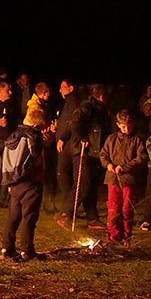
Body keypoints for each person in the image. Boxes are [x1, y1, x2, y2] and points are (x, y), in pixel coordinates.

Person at [61, 84, 112, 229]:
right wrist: (83, 138)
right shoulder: (88, 107)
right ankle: (66, 214)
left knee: (92, 184)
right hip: (83, 150)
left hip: (94, 152)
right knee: (83, 183)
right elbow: (73, 122)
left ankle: (92, 217)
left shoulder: (100, 110)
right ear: (102, 96)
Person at [1, 106, 49, 260]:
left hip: (13, 181)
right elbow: (37, 158)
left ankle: (7, 247)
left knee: (14, 215)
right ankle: (27, 250)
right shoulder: (33, 136)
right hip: (30, 181)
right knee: (29, 216)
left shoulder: (13, 135)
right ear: (36, 126)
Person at [99, 109, 148, 243]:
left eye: (129, 126)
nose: (127, 129)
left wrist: (125, 167)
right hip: (112, 179)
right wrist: (108, 164)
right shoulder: (111, 139)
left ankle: (127, 236)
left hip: (128, 180)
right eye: (124, 126)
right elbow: (103, 154)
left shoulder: (137, 140)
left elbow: (142, 157)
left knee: (127, 209)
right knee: (114, 209)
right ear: (118, 125)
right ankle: (114, 236)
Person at [54, 79, 81, 214]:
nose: (60, 90)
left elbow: (72, 122)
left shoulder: (74, 102)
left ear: (71, 88)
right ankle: (67, 205)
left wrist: (62, 138)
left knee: (63, 173)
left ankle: (68, 206)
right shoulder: (68, 103)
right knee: (62, 174)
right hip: (65, 143)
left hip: (69, 144)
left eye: (63, 87)